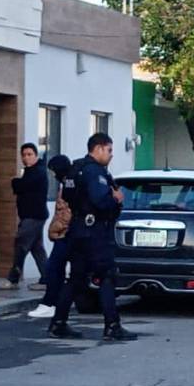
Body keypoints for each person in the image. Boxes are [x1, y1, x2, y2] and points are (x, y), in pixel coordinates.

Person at [47, 133, 137, 341]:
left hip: (77, 230)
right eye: (109, 150)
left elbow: (68, 197)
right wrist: (116, 200)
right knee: (106, 276)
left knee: (76, 278)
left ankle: (58, 323)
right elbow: (101, 201)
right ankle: (112, 326)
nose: (111, 155)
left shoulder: (75, 169)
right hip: (94, 231)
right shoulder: (95, 172)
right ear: (98, 148)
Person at [0, 143, 49, 291]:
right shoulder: (29, 171)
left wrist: (15, 181)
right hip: (32, 215)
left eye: (29, 154)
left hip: (33, 216)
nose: (26, 158)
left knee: (21, 245)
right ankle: (47, 278)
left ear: (36, 155)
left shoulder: (37, 171)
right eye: (24, 155)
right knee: (37, 248)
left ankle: (13, 279)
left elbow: (21, 186)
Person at [28, 155, 74, 319]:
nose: (53, 175)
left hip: (65, 234)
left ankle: (50, 304)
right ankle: (54, 304)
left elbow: (66, 213)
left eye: (53, 171)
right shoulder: (70, 181)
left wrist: (56, 230)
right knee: (60, 271)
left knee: (54, 269)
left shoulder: (69, 184)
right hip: (67, 233)